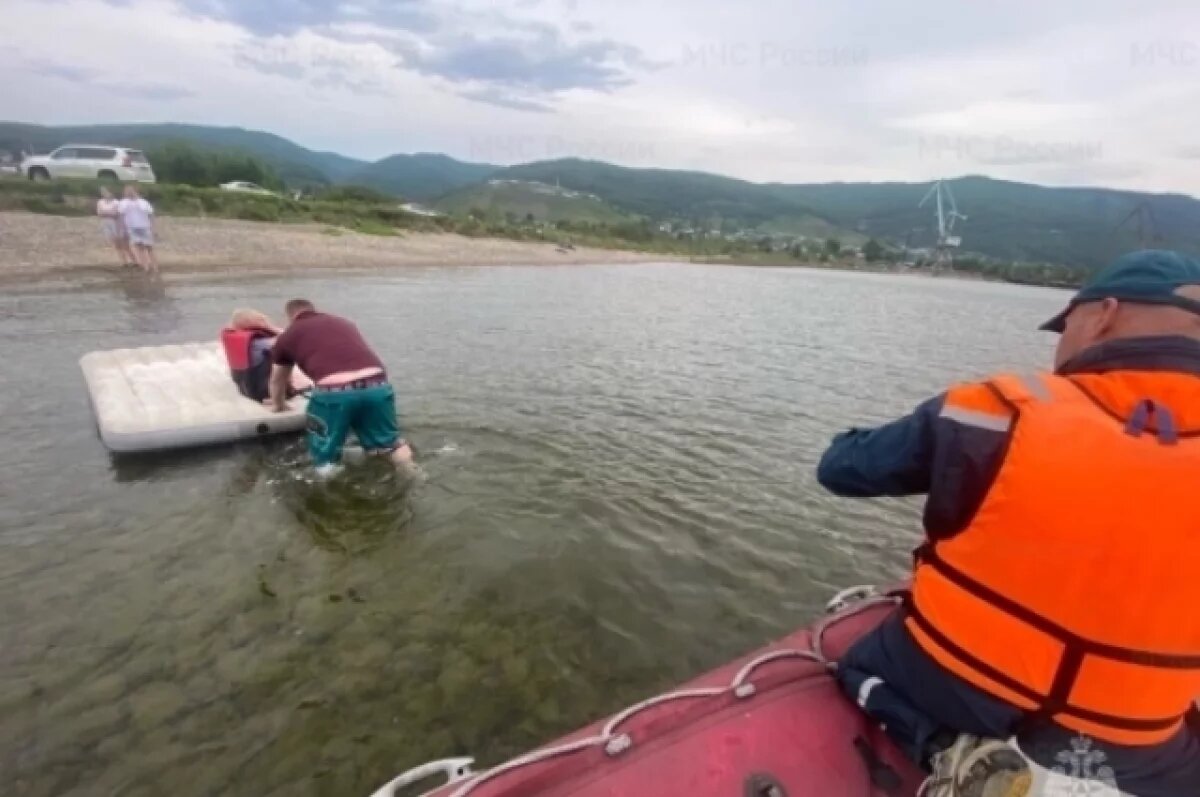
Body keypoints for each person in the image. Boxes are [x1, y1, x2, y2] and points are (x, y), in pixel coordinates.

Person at [817, 249, 1200, 797]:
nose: (1059, 345)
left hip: (962, 682)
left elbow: (842, 470)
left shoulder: (1001, 408)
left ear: (1104, 314)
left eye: (1064, 326)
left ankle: (946, 750)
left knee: (858, 666)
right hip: (1137, 740)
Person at [268, 299, 413, 470]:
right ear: (313, 309)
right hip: (377, 384)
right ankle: (412, 473)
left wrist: (279, 405)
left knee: (324, 452)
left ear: (290, 316)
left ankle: (325, 484)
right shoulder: (344, 323)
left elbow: (277, 380)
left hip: (334, 393)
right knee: (391, 444)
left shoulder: (288, 335)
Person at [221, 309, 290, 403]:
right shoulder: (258, 343)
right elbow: (291, 338)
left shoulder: (239, 339)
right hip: (265, 392)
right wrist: (271, 327)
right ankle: (284, 393)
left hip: (246, 390)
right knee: (284, 356)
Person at [118, 185, 158, 273]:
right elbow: (121, 217)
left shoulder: (143, 202)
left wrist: (153, 228)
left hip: (144, 227)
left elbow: (151, 215)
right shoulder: (123, 203)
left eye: (129, 190)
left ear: (134, 191)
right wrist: (122, 229)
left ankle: (155, 267)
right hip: (132, 228)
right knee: (140, 248)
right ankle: (146, 267)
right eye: (126, 191)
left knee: (149, 247)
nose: (127, 192)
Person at [96, 186, 135, 268]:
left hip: (116, 223)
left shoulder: (116, 202)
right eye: (103, 192)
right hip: (106, 223)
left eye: (106, 192)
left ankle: (133, 260)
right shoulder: (100, 202)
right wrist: (109, 213)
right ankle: (124, 261)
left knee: (124, 244)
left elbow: (117, 214)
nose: (105, 194)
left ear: (111, 193)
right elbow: (99, 213)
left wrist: (106, 213)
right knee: (116, 244)